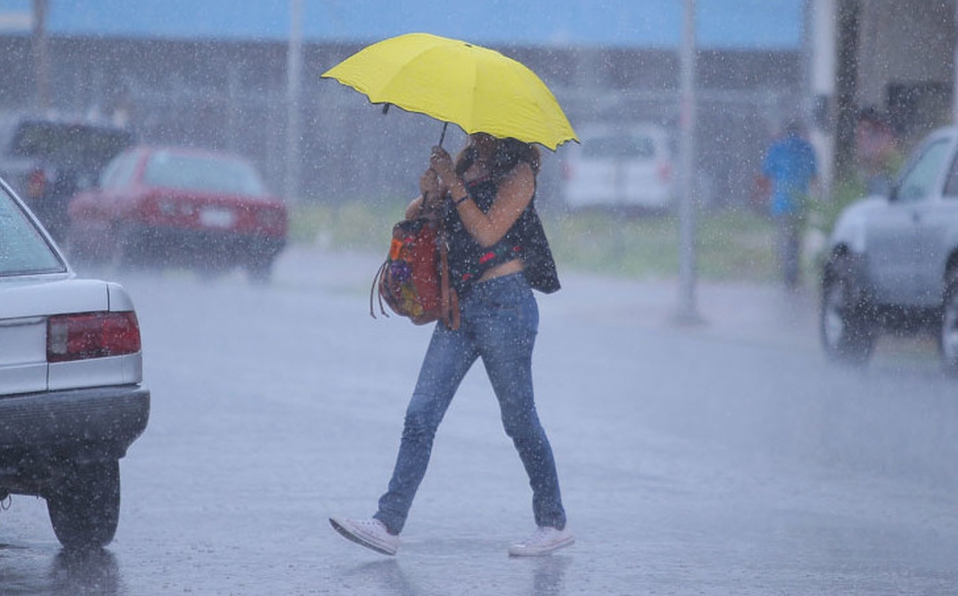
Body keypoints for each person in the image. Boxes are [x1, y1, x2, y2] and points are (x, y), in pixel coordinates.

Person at [329, 132, 573, 557]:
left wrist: (453, 184)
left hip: (506, 305)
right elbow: (417, 215)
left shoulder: (519, 174)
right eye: (473, 126)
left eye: (485, 127)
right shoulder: (462, 166)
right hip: (458, 306)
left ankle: (552, 522)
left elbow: (487, 232)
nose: (476, 133)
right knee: (421, 414)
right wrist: (429, 192)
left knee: (518, 419)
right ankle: (387, 523)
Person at [760, 119, 819, 289]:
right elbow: (814, 177)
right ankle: (794, 275)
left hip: (782, 203)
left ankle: (787, 276)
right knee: (796, 240)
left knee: (784, 240)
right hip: (801, 203)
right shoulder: (808, 149)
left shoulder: (778, 148)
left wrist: (762, 195)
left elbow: (766, 175)